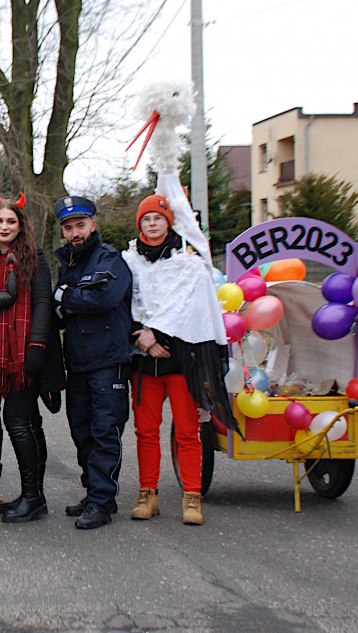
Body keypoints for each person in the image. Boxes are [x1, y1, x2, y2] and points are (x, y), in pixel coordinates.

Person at [121, 195, 231, 526]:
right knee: (145, 431)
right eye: (146, 219)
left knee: (187, 430)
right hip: (144, 362)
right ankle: (148, 494)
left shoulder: (189, 264)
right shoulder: (128, 263)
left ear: (169, 223)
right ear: (139, 225)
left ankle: (192, 497)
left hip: (181, 362)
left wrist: (161, 338)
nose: (152, 224)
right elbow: (124, 306)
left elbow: (192, 310)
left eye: (158, 218)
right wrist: (142, 338)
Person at [0, 199, 63, 523]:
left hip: (24, 352)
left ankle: (32, 497)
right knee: (29, 423)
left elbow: (41, 302)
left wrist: (37, 344)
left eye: (11, 221)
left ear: (20, 225)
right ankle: (32, 496)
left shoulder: (34, 258)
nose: (5, 227)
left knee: (18, 420)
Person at [52, 196, 133, 530]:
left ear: (93, 225)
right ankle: (95, 493)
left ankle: (102, 501)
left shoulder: (110, 259)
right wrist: (69, 300)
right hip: (79, 363)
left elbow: (104, 299)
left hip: (107, 361)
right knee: (81, 431)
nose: (75, 232)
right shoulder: (68, 264)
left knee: (104, 432)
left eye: (80, 226)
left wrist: (68, 298)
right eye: (69, 228)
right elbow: (57, 311)